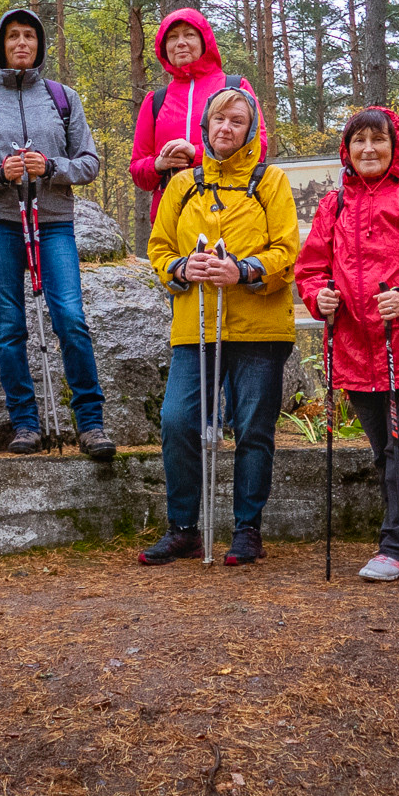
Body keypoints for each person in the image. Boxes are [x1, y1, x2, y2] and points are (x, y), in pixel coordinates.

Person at [297, 107, 399, 582]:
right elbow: (311, 269)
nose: (369, 149)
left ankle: (398, 547)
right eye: (359, 140)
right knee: (387, 450)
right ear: (346, 150)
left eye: (378, 140)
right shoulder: (333, 206)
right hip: (354, 345)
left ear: (396, 146)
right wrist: (318, 296)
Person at [138, 87, 298, 567]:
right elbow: (159, 247)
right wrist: (182, 268)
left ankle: (248, 530)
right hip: (197, 326)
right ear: (205, 126)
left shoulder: (270, 181)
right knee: (177, 420)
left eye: (237, 121)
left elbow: (287, 250)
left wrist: (243, 271)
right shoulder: (183, 184)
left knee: (253, 427)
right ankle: (183, 529)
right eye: (218, 120)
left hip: (260, 329)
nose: (226, 128)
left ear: (251, 130)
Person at [0, 8, 114, 459]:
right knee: (9, 326)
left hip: (54, 222)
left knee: (71, 318)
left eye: (29, 36)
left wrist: (52, 167)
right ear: (1, 45)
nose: (21, 43)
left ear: (40, 45)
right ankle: (25, 423)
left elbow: (90, 163)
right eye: (13, 36)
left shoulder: (63, 98)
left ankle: (91, 424)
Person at [127, 8, 268, 220]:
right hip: (171, 218)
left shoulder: (235, 87)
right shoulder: (155, 101)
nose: (180, 43)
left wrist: (196, 153)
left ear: (205, 41)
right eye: (172, 37)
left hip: (230, 213)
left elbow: (258, 148)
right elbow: (138, 170)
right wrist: (158, 164)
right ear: (164, 48)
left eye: (189, 34)